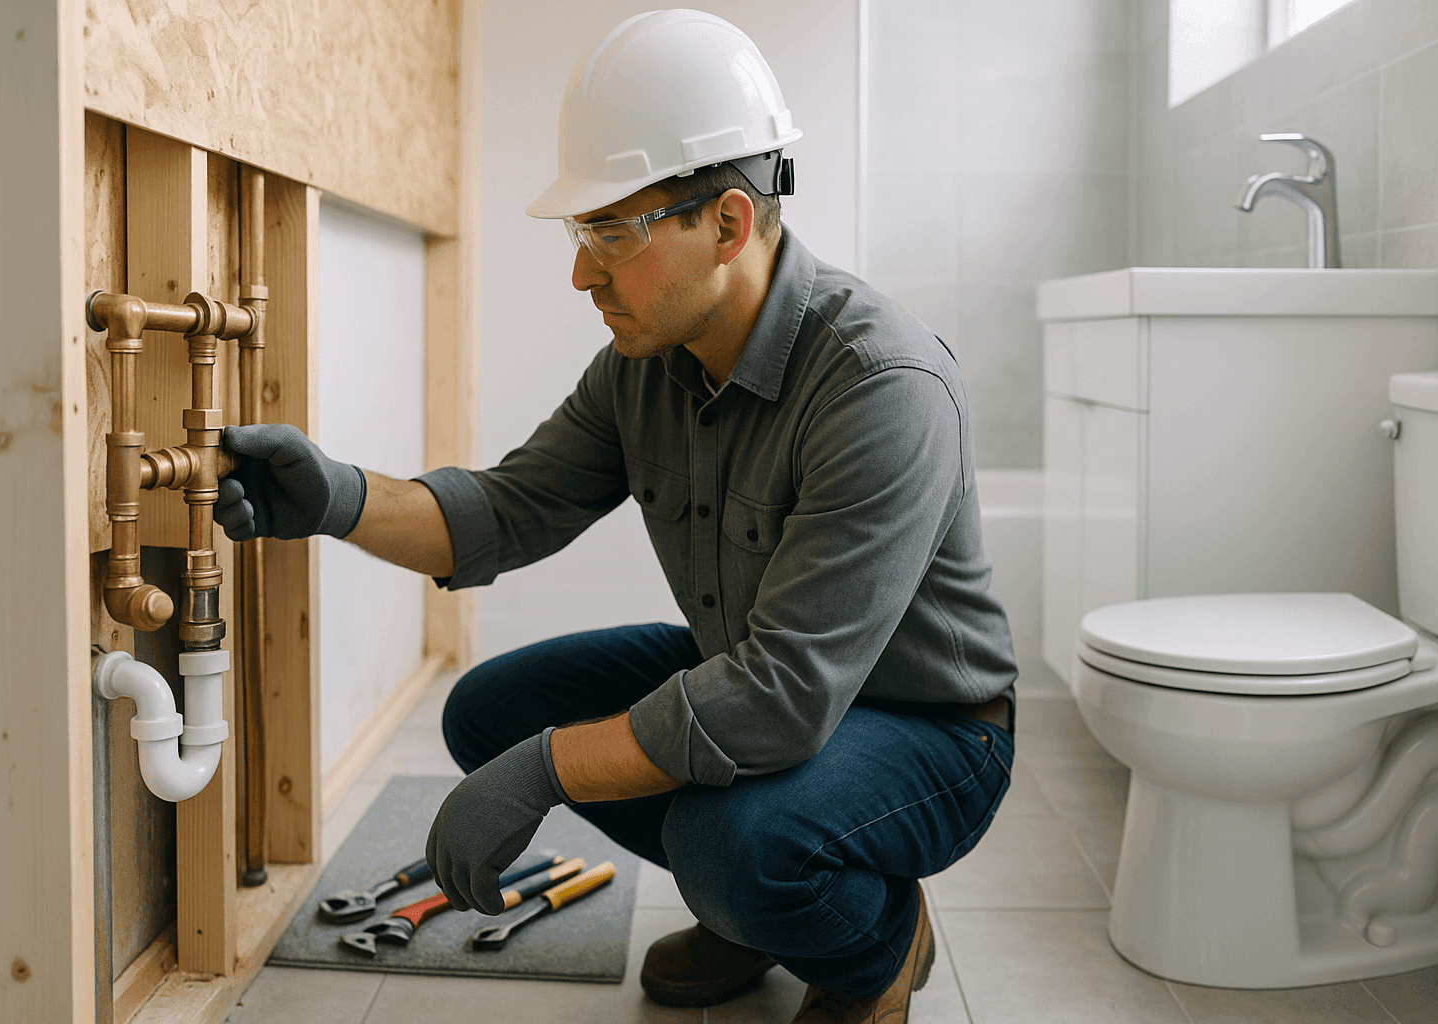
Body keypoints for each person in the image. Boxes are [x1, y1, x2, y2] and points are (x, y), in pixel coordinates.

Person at [216, 10, 1017, 1023]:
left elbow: (779, 697)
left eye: (610, 232)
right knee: (489, 712)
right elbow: (506, 510)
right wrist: (335, 498)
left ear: (727, 223)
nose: (582, 272)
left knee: (734, 845)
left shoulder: (880, 386)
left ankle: (875, 942)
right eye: (580, 231)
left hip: (929, 728)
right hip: (775, 680)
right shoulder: (647, 369)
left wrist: (548, 771)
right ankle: (759, 914)